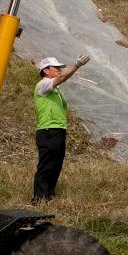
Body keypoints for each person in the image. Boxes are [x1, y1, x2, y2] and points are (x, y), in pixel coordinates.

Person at [33, 54, 90, 202]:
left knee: (56, 165)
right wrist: (76, 65)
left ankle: (49, 195)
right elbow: (61, 78)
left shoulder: (55, 90)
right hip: (48, 131)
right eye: (56, 67)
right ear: (46, 71)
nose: (59, 70)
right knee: (46, 165)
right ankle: (39, 198)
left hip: (57, 130)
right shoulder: (43, 85)